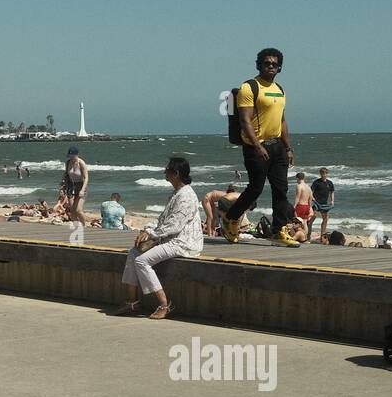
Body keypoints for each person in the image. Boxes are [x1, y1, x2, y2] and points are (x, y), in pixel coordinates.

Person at [222, 48, 298, 247]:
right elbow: (245, 121)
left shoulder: (280, 90)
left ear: (280, 67)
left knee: (281, 189)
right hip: (255, 147)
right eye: (266, 63)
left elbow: (282, 121)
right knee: (255, 189)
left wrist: (288, 148)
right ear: (259, 65)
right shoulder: (249, 87)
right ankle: (230, 219)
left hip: (277, 146)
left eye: (274, 64)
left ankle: (279, 230)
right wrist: (257, 145)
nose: (270, 66)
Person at [110, 157, 202, 319]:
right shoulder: (176, 194)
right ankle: (131, 302)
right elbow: (162, 220)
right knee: (133, 253)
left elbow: (175, 225)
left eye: (167, 170)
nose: (164, 172)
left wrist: (152, 234)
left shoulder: (186, 196)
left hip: (183, 242)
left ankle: (164, 304)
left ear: (177, 174)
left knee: (141, 260)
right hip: (170, 239)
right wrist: (147, 229)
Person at [64, 147, 89, 225]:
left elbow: (86, 178)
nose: (71, 158)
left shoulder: (81, 163)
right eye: (70, 156)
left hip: (80, 185)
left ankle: (84, 225)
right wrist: (63, 184)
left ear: (77, 155)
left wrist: (82, 190)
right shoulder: (68, 162)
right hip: (71, 185)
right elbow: (66, 174)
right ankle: (77, 226)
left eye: (72, 156)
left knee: (78, 210)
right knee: (72, 210)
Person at [309, 167, 335, 242]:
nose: (323, 174)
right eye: (322, 173)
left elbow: (332, 192)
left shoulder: (329, 183)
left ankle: (322, 236)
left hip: (325, 204)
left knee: (325, 219)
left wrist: (332, 200)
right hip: (316, 203)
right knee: (312, 218)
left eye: (325, 173)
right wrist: (312, 198)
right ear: (320, 174)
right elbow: (311, 191)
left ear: (327, 174)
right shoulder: (316, 182)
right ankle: (308, 235)